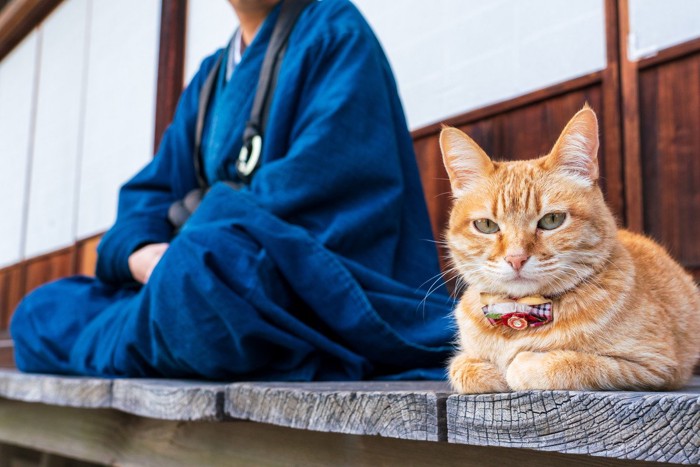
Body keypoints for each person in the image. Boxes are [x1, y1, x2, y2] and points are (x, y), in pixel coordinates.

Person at [10, 0, 453, 380]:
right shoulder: (211, 78)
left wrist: (195, 241)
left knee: (201, 269)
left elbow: (323, 186)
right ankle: (169, 330)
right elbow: (150, 192)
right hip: (195, 282)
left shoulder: (335, 33)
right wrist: (141, 256)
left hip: (294, 283)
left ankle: (166, 329)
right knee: (38, 311)